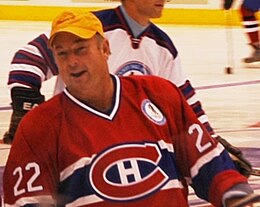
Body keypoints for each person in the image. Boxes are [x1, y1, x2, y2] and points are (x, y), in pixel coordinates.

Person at [3, 10, 260, 207]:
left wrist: (229, 186)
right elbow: (27, 199)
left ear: (105, 49)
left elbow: (203, 160)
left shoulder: (159, 94)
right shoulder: (39, 126)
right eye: (62, 54)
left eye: (81, 50)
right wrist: (24, 101)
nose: (72, 62)